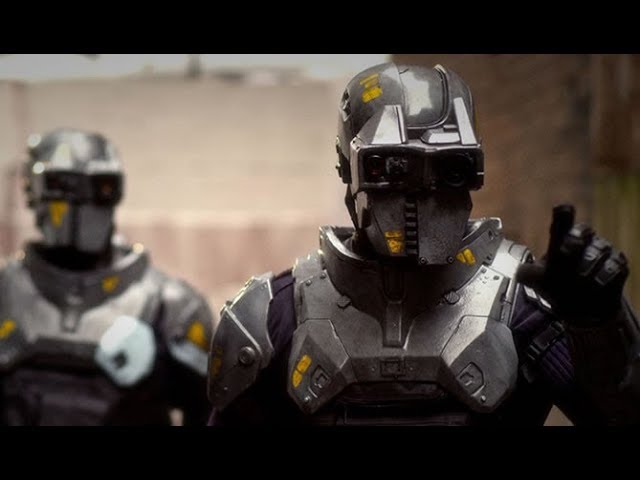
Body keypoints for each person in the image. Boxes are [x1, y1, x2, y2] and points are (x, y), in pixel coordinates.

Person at [207, 63, 640, 426]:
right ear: (347, 168)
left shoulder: (522, 309)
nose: (420, 191)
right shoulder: (276, 316)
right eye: (392, 168)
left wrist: (599, 325)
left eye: (449, 168)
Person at [0, 128, 214, 425]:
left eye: (99, 187)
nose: (80, 201)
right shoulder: (5, 290)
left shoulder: (170, 306)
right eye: (62, 186)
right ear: (34, 192)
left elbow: (209, 412)